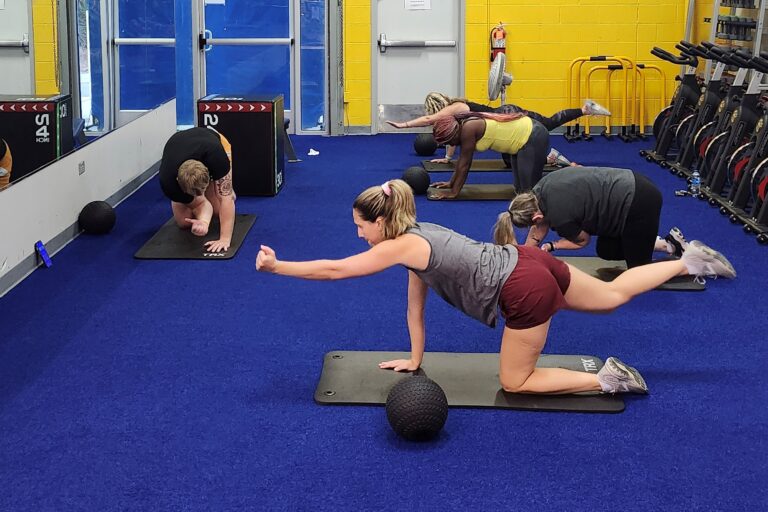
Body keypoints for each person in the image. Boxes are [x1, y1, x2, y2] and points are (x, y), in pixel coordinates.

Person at [255, 179, 736, 395]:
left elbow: (337, 270)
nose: (359, 235)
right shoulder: (416, 234)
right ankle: (688, 260)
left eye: (361, 226)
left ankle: (607, 379)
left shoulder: (395, 246)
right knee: (612, 296)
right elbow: (415, 305)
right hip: (526, 261)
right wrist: (416, 357)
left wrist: (279, 269)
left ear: (381, 222)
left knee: (515, 382)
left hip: (522, 290)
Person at [498, 166, 689, 268]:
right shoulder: (540, 188)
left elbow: (582, 241)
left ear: (536, 216)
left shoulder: (560, 216)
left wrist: (552, 246)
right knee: (607, 250)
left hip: (639, 202)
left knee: (640, 272)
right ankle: (669, 244)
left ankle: (691, 263)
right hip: (632, 183)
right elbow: (538, 229)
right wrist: (523, 256)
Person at [386, 92, 610, 163]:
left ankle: (585, 109)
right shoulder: (454, 114)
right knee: (510, 159)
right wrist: (447, 158)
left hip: (506, 116)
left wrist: (402, 124)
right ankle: (555, 159)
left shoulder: (456, 107)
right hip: (499, 122)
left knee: (547, 126)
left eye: (435, 112)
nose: (435, 117)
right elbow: (454, 137)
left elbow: (429, 121)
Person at [428, 111, 549, 198]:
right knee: (519, 190)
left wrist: (454, 192)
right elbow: (461, 161)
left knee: (529, 193)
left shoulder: (468, 129)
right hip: (518, 143)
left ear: (454, 133)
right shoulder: (463, 125)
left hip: (532, 136)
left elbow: (465, 165)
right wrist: (451, 183)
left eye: (449, 141)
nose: (450, 144)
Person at [158, 127, 236, 252]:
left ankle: (217, 186)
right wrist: (204, 222)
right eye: (196, 192)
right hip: (179, 145)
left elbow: (226, 200)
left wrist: (224, 239)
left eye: (202, 190)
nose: (200, 194)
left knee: (218, 209)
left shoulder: (217, 159)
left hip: (214, 143)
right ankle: (192, 195)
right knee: (184, 223)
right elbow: (201, 203)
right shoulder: (168, 181)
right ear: (179, 182)